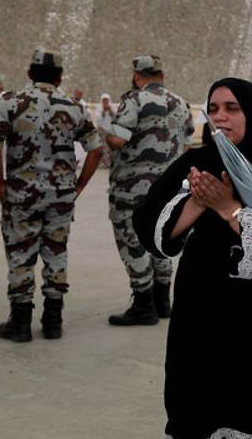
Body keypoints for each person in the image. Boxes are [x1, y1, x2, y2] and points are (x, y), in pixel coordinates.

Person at [132, 77, 252, 439]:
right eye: (214, 109)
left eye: (232, 108)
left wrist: (229, 208)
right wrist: (198, 202)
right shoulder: (198, 161)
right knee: (199, 399)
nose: (221, 117)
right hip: (202, 305)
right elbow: (151, 224)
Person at [0, 49, 103, 342]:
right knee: (56, 251)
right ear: (60, 76)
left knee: (20, 255)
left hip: (21, 194)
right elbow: (96, 150)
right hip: (61, 196)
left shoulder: (10, 102)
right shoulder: (75, 107)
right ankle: (53, 321)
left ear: (29, 73)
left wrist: (0, 185)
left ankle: (20, 322)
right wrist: (76, 187)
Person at [102, 55, 194, 326]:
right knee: (161, 238)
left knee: (133, 242)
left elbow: (118, 139)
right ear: (162, 75)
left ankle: (143, 305)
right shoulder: (181, 103)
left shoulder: (134, 100)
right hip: (168, 189)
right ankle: (163, 301)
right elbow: (187, 145)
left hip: (132, 189)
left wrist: (107, 133)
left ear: (137, 76)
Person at [95, 93, 115, 168]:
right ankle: (101, 164)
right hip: (102, 132)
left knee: (109, 148)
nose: (105, 101)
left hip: (110, 131)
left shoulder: (112, 108)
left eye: (106, 100)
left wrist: (110, 111)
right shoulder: (98, 108)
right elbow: (98, 120)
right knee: (102, 147)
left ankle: (109, 163)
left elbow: (115, 119)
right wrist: (103, 111)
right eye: (104, 100)